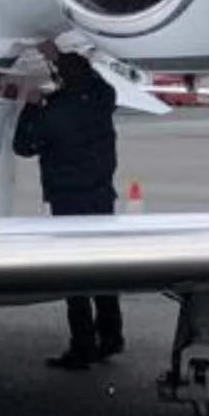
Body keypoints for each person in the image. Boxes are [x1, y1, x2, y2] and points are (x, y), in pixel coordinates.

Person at [12, 47, 125, 370]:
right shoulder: (102, 100)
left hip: (68, 200)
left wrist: (31, 107)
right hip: (101, 195)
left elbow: (23, 147)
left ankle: (82, 346)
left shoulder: (54, 112)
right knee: (103, 271)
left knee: (75, 277)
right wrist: (66, 58)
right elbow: (100, 85)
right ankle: (111, 336)